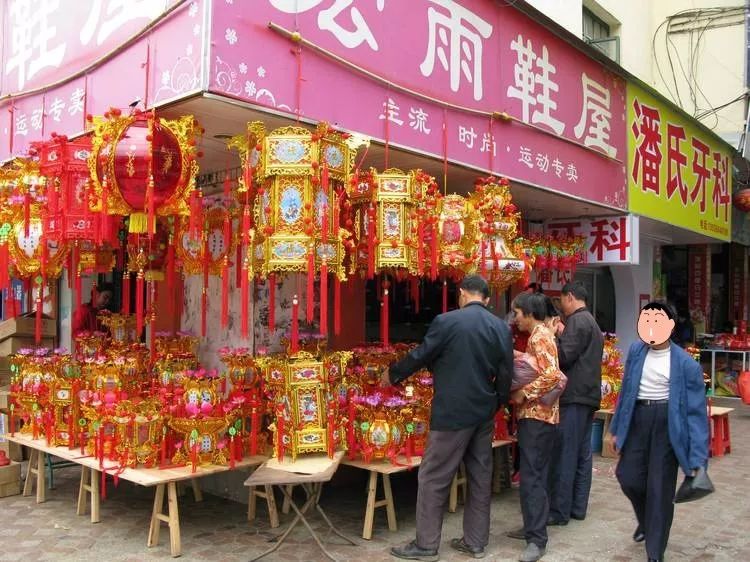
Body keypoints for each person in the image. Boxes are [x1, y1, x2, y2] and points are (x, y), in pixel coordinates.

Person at [386, 275, 513, 562]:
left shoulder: (447, 321)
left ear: (462, 294)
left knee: (433, 476)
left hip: (452, 413)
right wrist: (498, 401)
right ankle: (476, 542)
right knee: (480, 477)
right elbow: (506, 373)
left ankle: (426, 544)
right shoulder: (500, 327)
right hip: (483, 411)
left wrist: (394, 374)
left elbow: (421, 354)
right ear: (487, 299)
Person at [610, 302, 709, 562]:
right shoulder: (636, 351)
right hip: (638, 419)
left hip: (668, 426)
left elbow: (697, 414)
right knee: (628, 477)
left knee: (659, 489)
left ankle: (655, 552)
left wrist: (698, 458)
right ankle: (646, 521)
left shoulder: (686, 364)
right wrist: (616, 429)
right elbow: (626, 392)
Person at [506, 292, 563, 562]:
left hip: (538, 416)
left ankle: (536, 540)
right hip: (538, 416)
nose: (515, 319)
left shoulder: (540, 335)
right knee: (533, 475)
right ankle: (533, 528)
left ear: (529, 313)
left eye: (517, 313)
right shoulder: (538, 336)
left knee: (532, 477)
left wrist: (523, 393)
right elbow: (541, 366)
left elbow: (552, 375)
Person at [548, 281, 604, 526]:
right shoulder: (590, 321)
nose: (561, 306)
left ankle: (559, 511)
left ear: (570, 297)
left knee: (566, 454)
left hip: (575, 396)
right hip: (587, 395)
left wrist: (551, 336)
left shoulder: (578, 321)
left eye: (561, 301)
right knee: (582, 454)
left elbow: (563, 356)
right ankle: (577, 507)